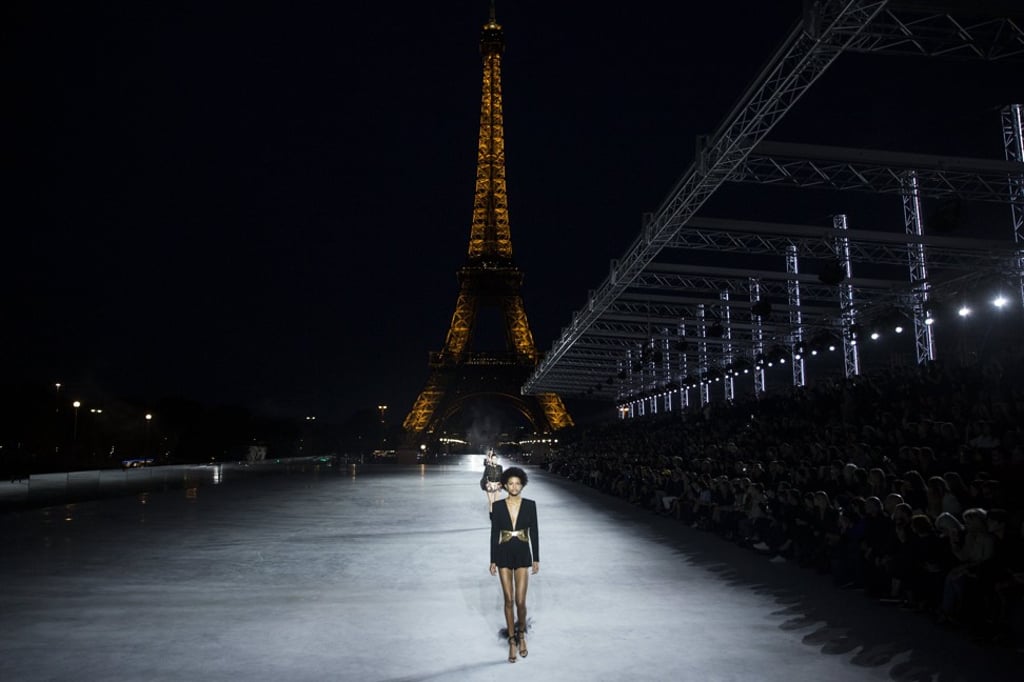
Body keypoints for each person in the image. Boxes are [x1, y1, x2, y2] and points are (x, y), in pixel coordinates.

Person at [489, 467, 539, 663]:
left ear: (523, 484)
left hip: (523, 554)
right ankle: (512, 640)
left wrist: (536, 558)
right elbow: (494, 534)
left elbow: (534, 531)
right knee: (508, 600)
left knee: (520, 601)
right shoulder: (499, 506)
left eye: (518, 483)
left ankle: (521, 635)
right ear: (505, 485)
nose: (514, 486)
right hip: (503, 553)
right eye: (510, 483)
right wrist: (492, 559)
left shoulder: (530, 505)